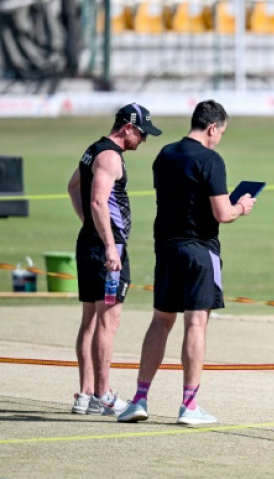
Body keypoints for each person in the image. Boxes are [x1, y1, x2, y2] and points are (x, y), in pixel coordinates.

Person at [117, 100, 256, 426]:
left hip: (166, 248)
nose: (220, 137)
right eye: (221, 132)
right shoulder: (211, 159)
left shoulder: (165, 154)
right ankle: (189, 405)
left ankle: (138, 398)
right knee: (196, 324)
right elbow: (222, 214)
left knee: (160, 321)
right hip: (199, 251)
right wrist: (242, 207)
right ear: (212, 128)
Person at [67, 103, 163, 416]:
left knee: (90, 321)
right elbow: (96, 200)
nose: (144, 140)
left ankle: (85, 394)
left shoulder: (93, 150)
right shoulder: (110, 157)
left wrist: (91, 228)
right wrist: (109, 244)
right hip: (110, 251)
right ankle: (103, 395)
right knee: (108, 321)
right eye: (142, 133)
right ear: (126, 128)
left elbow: (73, 187)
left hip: (90, 245)